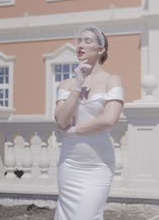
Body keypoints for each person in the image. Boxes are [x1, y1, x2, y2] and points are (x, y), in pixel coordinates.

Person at [53, 25, 124, 220]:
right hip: (69, 164)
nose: (80, 45)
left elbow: (109, 119)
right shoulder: (67, 84)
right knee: (67, 215)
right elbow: (61, 120)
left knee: (88, 214)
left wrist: (75, 130)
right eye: (79, 41)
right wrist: (77, 84)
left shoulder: (112, 80)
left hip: (98, 164)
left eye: (87, 41)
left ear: (101, 49)